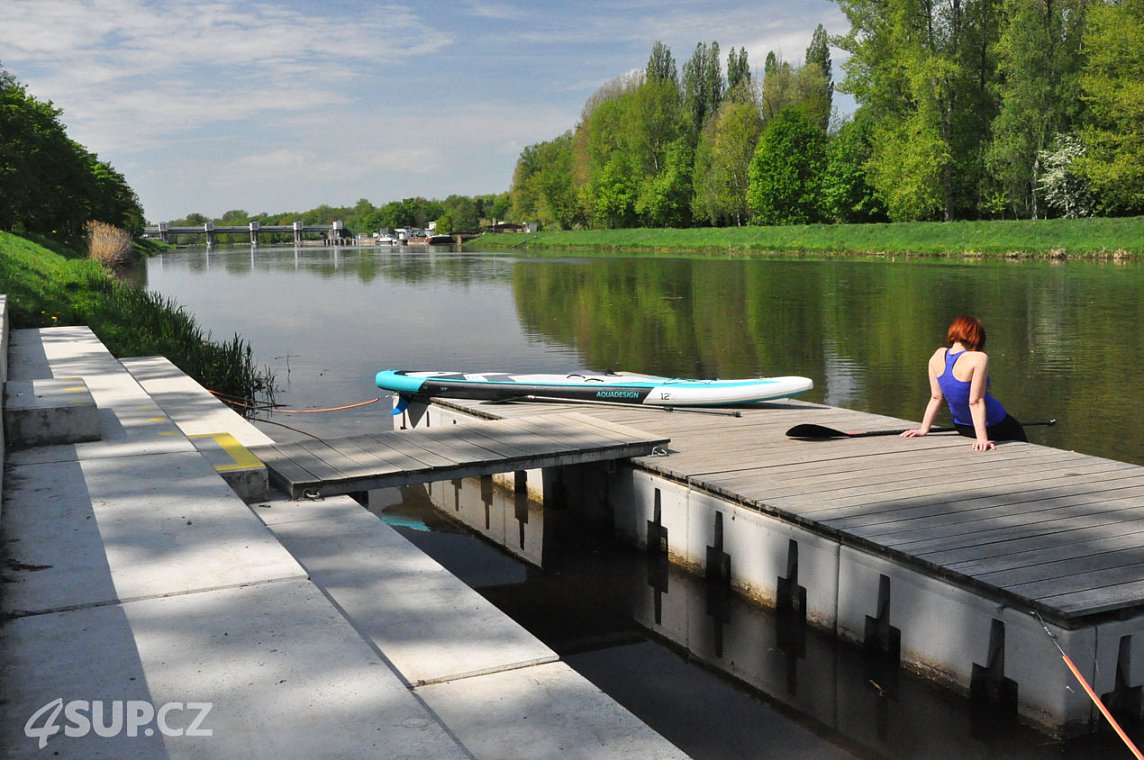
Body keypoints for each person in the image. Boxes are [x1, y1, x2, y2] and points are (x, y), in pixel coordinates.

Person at [901, 315, 1026, 452]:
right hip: (995, 426)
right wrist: (982, 439)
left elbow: (936, 397)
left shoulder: (937, 355)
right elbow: (975, 401)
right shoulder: (979, 358)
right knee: (1017, 431)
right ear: (976, 336)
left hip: (962, 427)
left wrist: (924, 429)